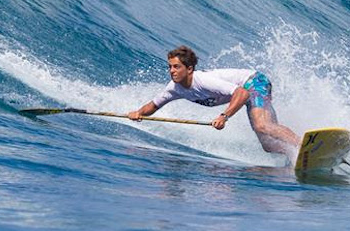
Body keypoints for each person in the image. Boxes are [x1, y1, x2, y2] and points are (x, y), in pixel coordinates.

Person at [127, 45, 301, 156]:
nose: (172, 71)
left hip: (254, 82)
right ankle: (294, 155)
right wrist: (139, 113)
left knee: (262, 125)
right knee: (268, 146)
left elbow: (241, 93)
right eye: (170, 67)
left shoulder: (202, 81)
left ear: (189, 69)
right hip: (245, 93)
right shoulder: (174, 88)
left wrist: (224, 117)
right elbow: (153, 105)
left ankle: (302, 145)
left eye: (176, 67)